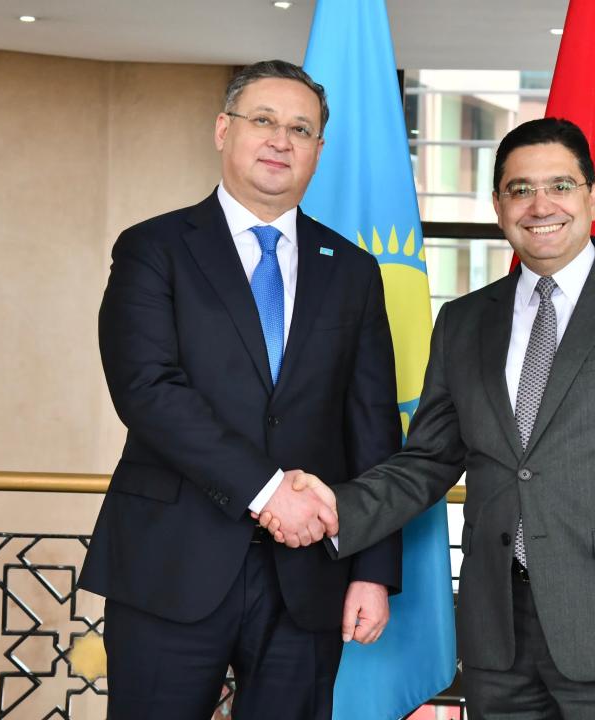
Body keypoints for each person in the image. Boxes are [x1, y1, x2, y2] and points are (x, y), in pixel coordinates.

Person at [261, 117, 595, 719]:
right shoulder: (463, 322)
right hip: (498, 635)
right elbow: (427, 461)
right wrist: (335, 507)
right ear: (498, 205)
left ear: (593, 197)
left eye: (560, 186)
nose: (541, 205)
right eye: (520, 189)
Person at [78, 60, 402, 720]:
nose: (281, 140)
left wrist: (372, 569)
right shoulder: (153, 248)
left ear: (318, 150)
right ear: (224, 130)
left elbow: (373, 427)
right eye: (264, 120)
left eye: (300, 129)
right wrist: (269, 490)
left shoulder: (353, 270)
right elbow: (147, 390)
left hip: (309, 577)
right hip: (172, 561)